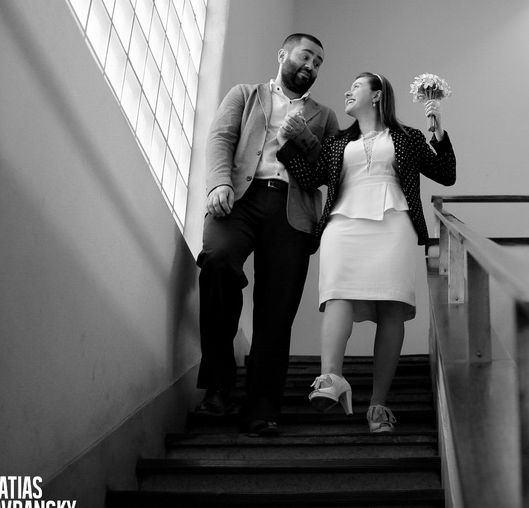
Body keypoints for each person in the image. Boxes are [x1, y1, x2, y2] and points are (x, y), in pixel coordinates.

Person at [279, 72, 456, 434]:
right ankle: (331, 379)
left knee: (391, 306)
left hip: (394, 223)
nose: (347, 91)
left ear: (376, 96)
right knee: (337, 295)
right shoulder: (336, 142)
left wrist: (436, 127)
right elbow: (312, 178)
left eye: (356, 86)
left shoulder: (408, 137)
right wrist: (285, 144)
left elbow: (446, 173)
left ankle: (378, 405)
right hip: (342, 225)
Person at [195, 33, 340, 436]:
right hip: (238, 199)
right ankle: (219, 389)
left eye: (318, 62)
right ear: (283, 55)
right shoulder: (245, 94)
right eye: (306, 55)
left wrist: (302, 137)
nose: (311, 65)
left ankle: (262, 406)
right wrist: (218, 183)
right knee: (219, 264)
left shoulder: (325, 115)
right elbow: (220, 138)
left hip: (291, 212)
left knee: (277, 309)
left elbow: (329, 168)